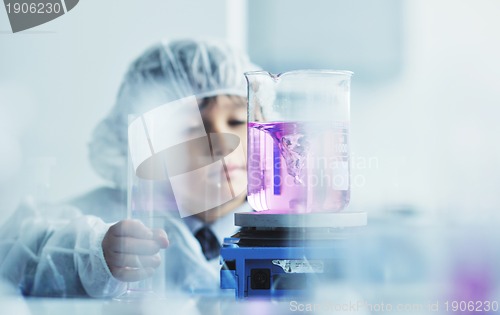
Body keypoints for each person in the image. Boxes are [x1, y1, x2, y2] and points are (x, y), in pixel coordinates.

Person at [0, 39, 259, 297]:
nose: (223, 142)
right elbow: (18, 253)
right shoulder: (105, 218)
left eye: (237, 120)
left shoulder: (293, 230)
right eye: (191, 128)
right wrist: (93, 257)